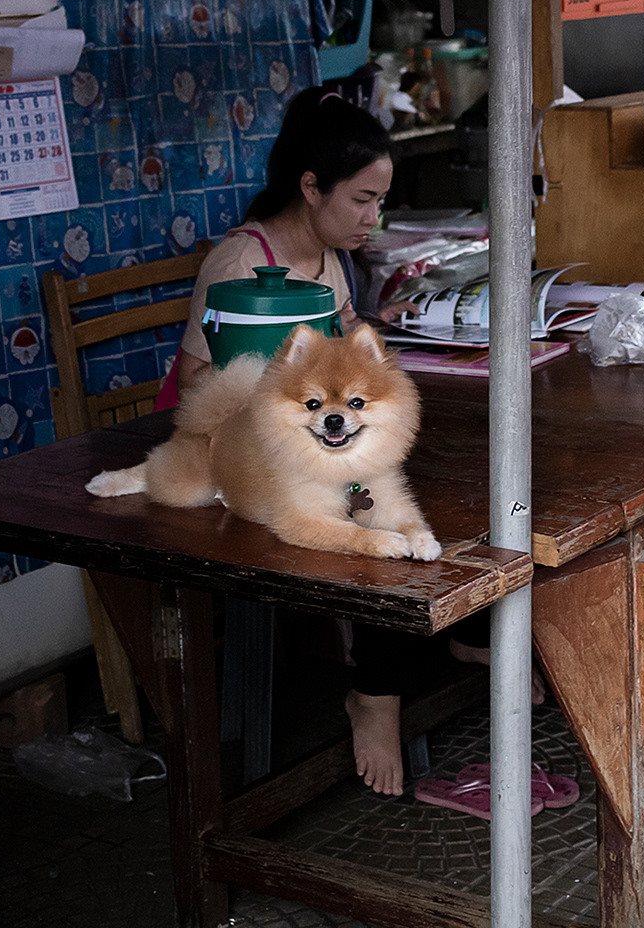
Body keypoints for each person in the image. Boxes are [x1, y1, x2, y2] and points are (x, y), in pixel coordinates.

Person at [150, 86, 503, 796]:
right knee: (369, 506)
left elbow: (340, 356)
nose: (374, 218)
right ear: (311, 188)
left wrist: (374, 325)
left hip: (309, 442)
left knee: (458, 475)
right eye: (362, 200)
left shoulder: (328, 257)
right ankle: (374, 694)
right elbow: (196, 387)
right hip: (236, 461)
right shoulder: (240, 267)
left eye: (380, 201)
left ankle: (463, 634)